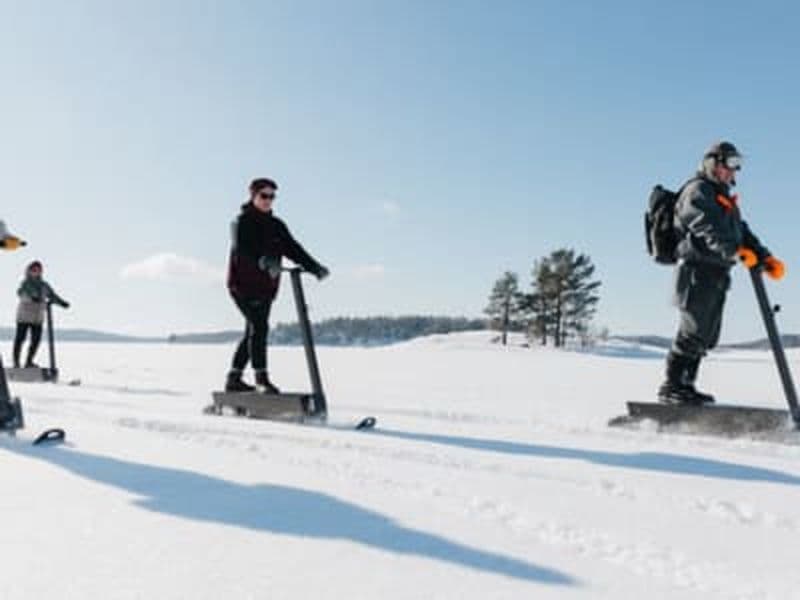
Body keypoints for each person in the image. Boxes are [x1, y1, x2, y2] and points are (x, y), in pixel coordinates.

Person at [659, 141, 785, 404]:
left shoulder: (723, 197)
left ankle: (686, 387)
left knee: (706, 334)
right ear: (713, 164)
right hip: (696, 271)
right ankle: (672, 388)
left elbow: (741, 231)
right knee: (693, 331)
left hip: (716, 273)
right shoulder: (697, 191)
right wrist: (734, 251)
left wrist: (764, 256)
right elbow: (706, 226)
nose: (734, 172)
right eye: (730, 164)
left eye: (737, 166)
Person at [225, 178, 329, 393]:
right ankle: (261, 379)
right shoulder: (241, 222)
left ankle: (233, 379)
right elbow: (244, 248)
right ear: (253, 196)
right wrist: (262, 260)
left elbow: (293, 249)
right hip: (242, 285)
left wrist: (314, 267)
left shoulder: (277, 226)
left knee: (253, 331)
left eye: (272, 196)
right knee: (260, 327)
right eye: (264, 195)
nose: (268, 200)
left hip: (266, 287)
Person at [14, 261, 70, 369]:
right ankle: (16, 362)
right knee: (20, 339)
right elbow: (21, 293)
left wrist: (62, 303)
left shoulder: (44, 285)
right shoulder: (25, 284)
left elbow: (52, 295)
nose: (36, 272)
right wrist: (32, 297)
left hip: (37, 318)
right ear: (29, 271)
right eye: (34, 270)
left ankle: (29, 362)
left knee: (36, 340)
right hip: (24, 317)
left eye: (38, 270)